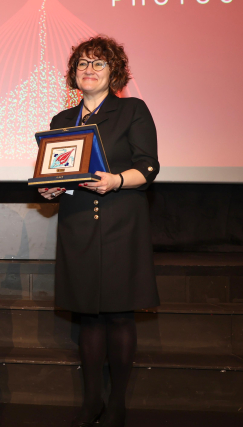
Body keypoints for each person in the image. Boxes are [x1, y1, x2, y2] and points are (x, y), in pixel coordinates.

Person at [38, 36, 160, 427]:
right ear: (73, 73)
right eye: (82, 64)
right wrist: (50, 188)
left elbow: (149, 166)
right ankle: (92, 402)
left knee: (120, 316)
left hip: (122, 221)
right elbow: (56, 173)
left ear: (114, 72)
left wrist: (116, 181)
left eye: (98, 64)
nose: (88, 70)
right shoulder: (61, 120)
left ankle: (117, 404)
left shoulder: (132, 110)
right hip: (77, 224)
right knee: (88, 317)